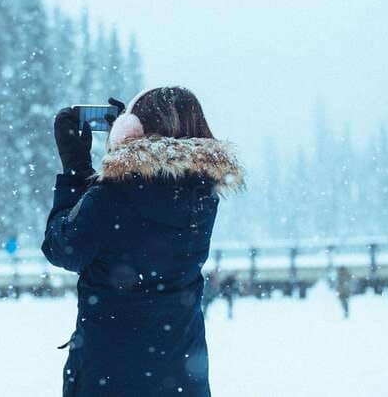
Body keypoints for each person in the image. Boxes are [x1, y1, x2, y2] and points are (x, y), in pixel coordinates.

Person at [43, 87, 244, 397]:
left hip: (109, 375)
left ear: (133, 131)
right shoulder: (202, 196)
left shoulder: (110, 197)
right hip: (182, 373)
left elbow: (63, 248)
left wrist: (76, 171)